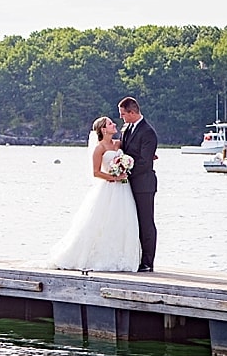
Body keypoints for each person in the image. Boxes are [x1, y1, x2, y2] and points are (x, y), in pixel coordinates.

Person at [47, 116, 141, 271]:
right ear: (103, 129)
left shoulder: (118, 144)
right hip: (109, 187)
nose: (114, 125)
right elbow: (96, 172)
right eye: (110, 124)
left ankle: (121, 255)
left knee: (123, 220)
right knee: (103, 221)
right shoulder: (99, 149)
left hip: (123, 189)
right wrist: (114, 177)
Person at [118, 96, 158, 272]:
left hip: (143, 185)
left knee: (145, 222)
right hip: (127, 183)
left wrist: (126, 171)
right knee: (130, 221)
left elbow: (144, 161)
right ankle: (132, 258)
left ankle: (147, 262)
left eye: (123, 114)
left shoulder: (148, 132)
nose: (121, 118)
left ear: (132, 113)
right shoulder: (127, 128)